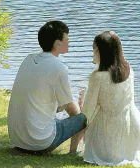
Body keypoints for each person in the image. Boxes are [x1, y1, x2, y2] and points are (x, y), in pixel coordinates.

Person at [80, 30, 140, 166]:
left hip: (107, 136)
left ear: (102, 52)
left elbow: (88, 111)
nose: (93, 53)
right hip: (134, 132)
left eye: (95, 50)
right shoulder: (128, 70)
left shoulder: (97, 77)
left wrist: (82, 129)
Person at [8, 20, 87, 154]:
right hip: (40, 142)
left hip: (17, 138)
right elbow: (72, 111)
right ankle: (74, 152)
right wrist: (80, 118)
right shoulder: (59, 68)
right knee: (82, 118)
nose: (69, 42)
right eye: (67, 39)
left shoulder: (28, 59)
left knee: (60, 110)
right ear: (58, 43)